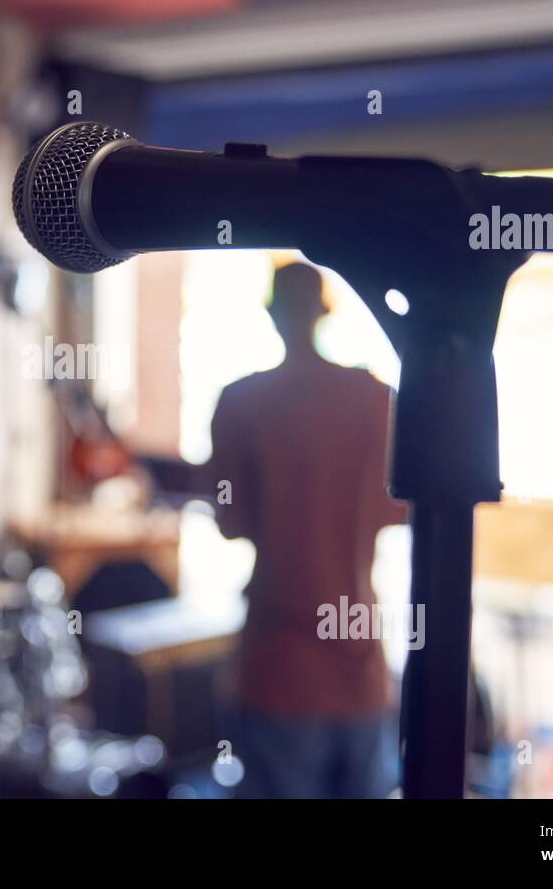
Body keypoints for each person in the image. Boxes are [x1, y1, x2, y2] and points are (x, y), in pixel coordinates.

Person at [207, 263, 405, 798]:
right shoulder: (375, 400)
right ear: (323, 314)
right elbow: (400, 511)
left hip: (280, 664)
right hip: (359, 659)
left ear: (273, 315)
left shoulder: (240, 402)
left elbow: (231, 521)